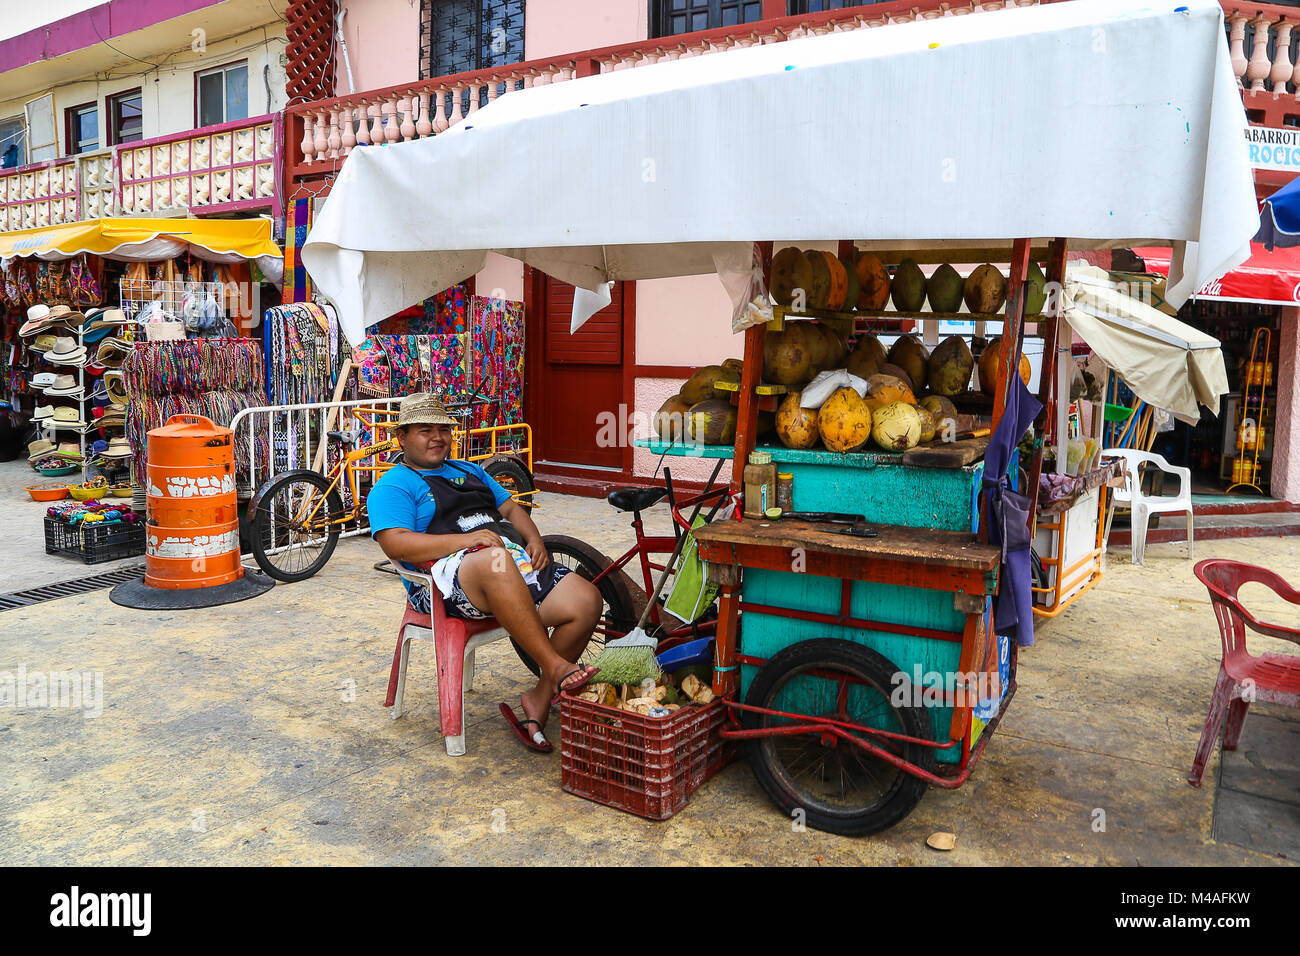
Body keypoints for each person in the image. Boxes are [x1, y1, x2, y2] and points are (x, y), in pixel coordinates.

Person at [368, 393, 603, 753]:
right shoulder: (393, 485)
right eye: (424, 430)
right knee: (494, 559)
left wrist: (534, 538)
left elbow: (510, 508)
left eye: (443, 429)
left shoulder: (469, 471)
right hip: (440, 587)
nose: (437, 437)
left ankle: (539, 697)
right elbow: (396, 544)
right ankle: (556, 667)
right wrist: (466, 540)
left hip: (509, 568)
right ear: (401, 437)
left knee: (586, 600)